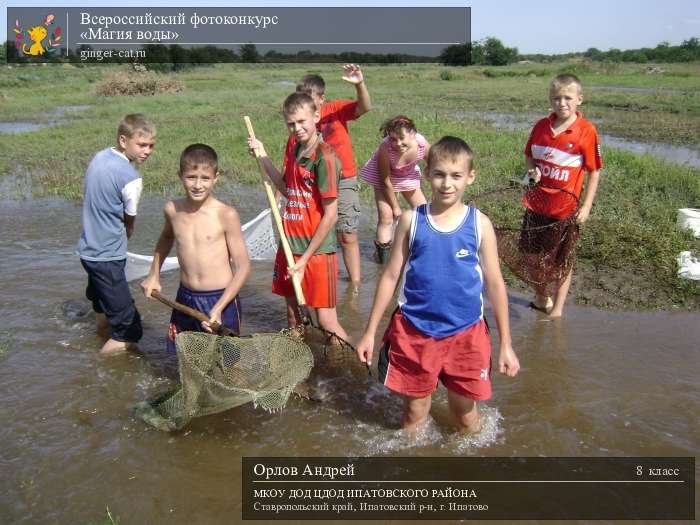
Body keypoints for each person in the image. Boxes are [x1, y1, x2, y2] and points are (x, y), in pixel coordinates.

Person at [356, 136, 520, 433]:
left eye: (456, 176)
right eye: (440, 174)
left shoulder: (479, 224)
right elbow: (391, 277)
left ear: (470, 177)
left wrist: (506, 344)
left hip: (466, 334)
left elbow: (495, 284)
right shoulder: (410, 220)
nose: (447, 184)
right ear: (427, 173)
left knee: (465, 416)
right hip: (415, 332)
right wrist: (369, 333)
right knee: (413, 415)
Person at [248, 92, 349, 341]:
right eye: (291, 123)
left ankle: (355, 371)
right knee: (293, 315)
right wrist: (262, 156)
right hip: (288, 244)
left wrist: (304, 260)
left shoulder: (324, 157)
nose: (297, 128)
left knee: (327, 322)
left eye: (302, 121)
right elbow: (286, 189)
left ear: (316, 116)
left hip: (314, 253)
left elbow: (331, 215)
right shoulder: (295, 150)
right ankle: (300, 369)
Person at [141, 144, 251, 353]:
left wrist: (218, 308)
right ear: (180, 176)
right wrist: (153, 274)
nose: (198, 185)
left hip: (221, 299)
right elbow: (165, 239)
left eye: (205, 178)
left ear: (216, 177)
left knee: (227, 361)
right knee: (185, 357)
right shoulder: (173, 209)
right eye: (191, 177)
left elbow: (243, 267)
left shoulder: (225, 214)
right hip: (186, 298)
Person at [284, 65, 371, 291]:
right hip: (312, 183)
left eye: (310, 99)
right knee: (317, 232)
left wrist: (359, 84)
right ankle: (317, 279)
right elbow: (288, 167)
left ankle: (355, 286)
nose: (304, 105)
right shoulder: (298, 129)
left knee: (348, 234)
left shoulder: (336, 110)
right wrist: (279, 196)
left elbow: (364, 107)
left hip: (343, 181)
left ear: (321, 99)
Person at [524, 73, 602, 318]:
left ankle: (557, 311)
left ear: (580, 99)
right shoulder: (540, 127)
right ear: (550, 99)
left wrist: (586, 207)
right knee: (531, 256)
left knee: (562, 262)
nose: (562, 103)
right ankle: (541, 298)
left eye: (568, 98)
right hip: (536, 206)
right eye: (557, 98)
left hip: (566, 211)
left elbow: (594, 172)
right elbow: (529, 155)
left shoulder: (586, 131)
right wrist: (531, 169)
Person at [76, 113, 156, 355]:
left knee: (101, 303)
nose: (147, 151)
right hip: (107, 256)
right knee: (130, 330)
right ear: (124, 140)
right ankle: (100, 371)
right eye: (141, 145)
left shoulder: (100, 156)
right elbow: (129, 218)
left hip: (87, 252)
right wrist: (128, 229)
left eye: (151, 145)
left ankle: (101, 336)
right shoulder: (132, 178)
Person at [359, 115, 430, 263]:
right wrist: (396, 208)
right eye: (393, 139)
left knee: (424, 214)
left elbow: (435, 165)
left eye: (402, 138)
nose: (398, 144)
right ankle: (382, 261)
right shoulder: (385, 147)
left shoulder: (422, 144)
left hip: (407, 175)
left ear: (413, 134)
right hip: (384, 178)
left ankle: (424, 251)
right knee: (387, 217)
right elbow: (385, 181)